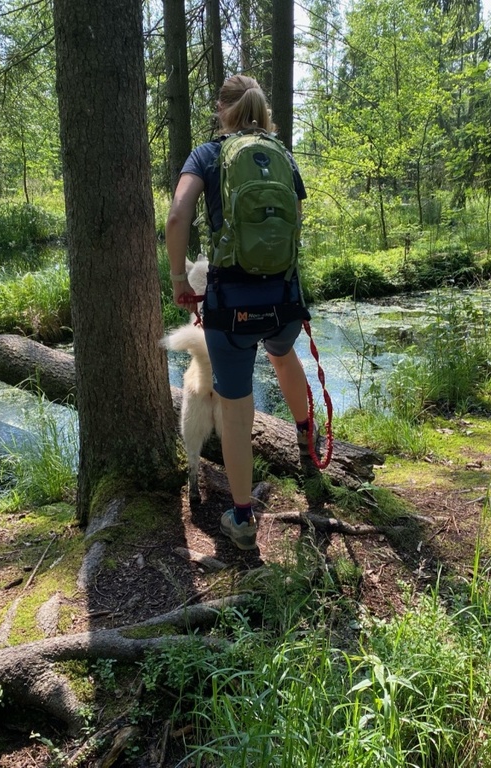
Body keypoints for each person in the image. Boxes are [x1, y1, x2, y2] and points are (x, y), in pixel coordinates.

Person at [165, 74, 313, 551]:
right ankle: (308, 446)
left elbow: (177, 216)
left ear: (221, 110)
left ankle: (244, 519)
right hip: (284, 298)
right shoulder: (282, 155)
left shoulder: (207, 156)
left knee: (235, 406)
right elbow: (293, 223)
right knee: (284, 357)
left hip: (231, 307)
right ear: (262, 110)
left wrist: (178, 279)